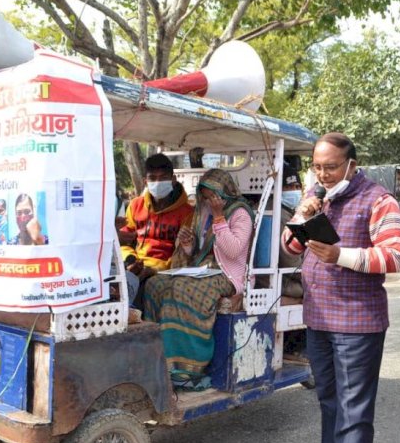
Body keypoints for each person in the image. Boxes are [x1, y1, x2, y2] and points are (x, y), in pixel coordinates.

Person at [281, 132, 400, 443]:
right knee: (329, 403)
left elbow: (396, 257)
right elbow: (289, 247)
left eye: (331, 168)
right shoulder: (316, 195)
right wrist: (302, 214)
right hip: (319, 320)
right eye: (317, 167)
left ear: (352, 166)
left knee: (354, 412)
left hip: (356, 325)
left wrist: (341, 256)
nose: (323, 175)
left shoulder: (378, 200)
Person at [144, 168, 253, 385]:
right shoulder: (201, 212)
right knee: (154, 284)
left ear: (224, 192)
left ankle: (186, 367)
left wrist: (220, 217)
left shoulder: (240, 213)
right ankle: (155, 357)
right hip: (201, 270)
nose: (208, 200)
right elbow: (196, 251)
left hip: (227, 275)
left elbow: (233, 250)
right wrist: (187, 244)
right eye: (205, 196)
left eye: (212, 195)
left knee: (182, 289)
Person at [117, 154, 194, 304]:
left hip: (166, 269)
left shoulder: (187, 213)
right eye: (153, 178)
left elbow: (183, 253)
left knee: (142, 290)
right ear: (145, 181)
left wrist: (155, 269)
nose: (157, 182)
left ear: (173, 180)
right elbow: (124, 241)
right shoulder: (135, 205)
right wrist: (130, 260)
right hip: (136, 264)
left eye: (163, 178)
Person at [279, 163, 304, 298]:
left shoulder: (289, 212)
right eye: (288, 187)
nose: (294, 191)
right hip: (282, 278)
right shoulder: (281, 215)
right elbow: (289, 259)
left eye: (297, 187)